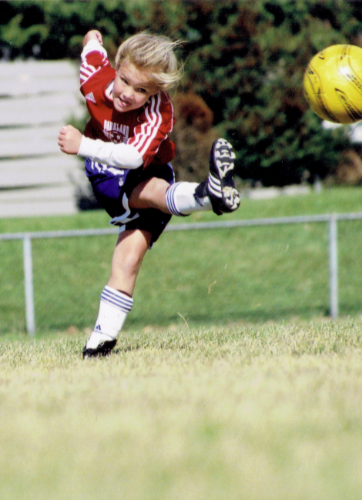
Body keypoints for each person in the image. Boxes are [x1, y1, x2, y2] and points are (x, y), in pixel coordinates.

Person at [58, 29, 240, 358]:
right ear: (117, 66)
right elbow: (91, 50)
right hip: (108, 180)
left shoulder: (159, 112)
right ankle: (203, 196)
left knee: (130, 257)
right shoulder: (94, 79)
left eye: (142, 89)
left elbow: (133, 158)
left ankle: (98, 347)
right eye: (125, 80)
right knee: (128, 252)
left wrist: (82, 145)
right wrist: (92, 38)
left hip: (145, 171)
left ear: (155, 91)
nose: (128, 93)